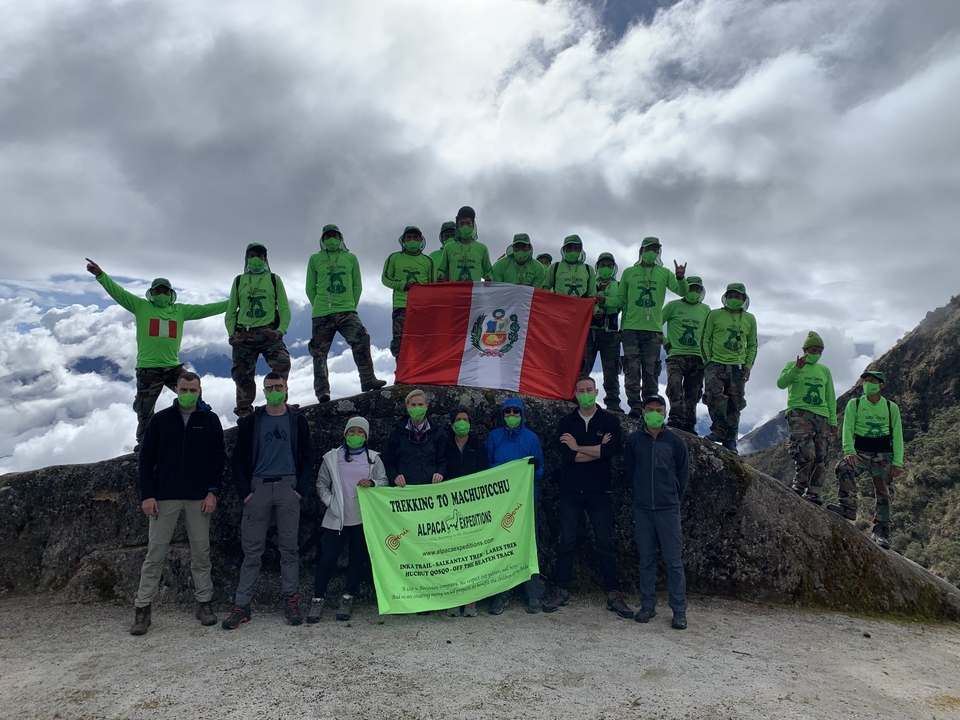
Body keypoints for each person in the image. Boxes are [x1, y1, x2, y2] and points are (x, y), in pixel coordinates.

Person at [85, 258, 227, 449]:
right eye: (158, 290)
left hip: (172, 366)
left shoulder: (180, 311)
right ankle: (144, 443)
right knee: (144, 409)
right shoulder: (141, 306)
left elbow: (208, 309)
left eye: (165, 290)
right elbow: (119, 293)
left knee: (193, 394)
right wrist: (101, 276)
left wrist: (234, 301)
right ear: (151, 293)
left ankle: (199, 429)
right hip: (148, 368)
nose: (161, 293)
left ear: (171, 294)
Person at [130, 372, 225, 635]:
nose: (188, 394)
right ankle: (143, 608)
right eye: (184, 389)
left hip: (199, 497)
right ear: (176, 389)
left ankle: (204, 602)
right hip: (164, 496)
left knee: (201, 553)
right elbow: (146, 459)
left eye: (193, 390)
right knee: (155, 553)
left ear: (200, 390)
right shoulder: (161, 420)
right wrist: (147, 494)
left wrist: (212, 491)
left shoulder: (209, 420)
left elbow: (218, 458)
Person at [222, 372, 316, 629]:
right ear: (263, 391)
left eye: (278, 386)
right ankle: (242, 605)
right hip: (258, 487)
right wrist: (245, 493)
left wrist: (300, 490)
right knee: (251, 551)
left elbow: (308, 456)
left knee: (290, 548)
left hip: (288, 487)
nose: (274, 390)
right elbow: (238, 459)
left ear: (287, 388)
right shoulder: (252, 421)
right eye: (269, 387)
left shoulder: (297, 420)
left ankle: (291, 600)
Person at [543, 377, 633, 618]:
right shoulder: (566, 421)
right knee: (566, 542)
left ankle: (614, 593)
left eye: (588, 390)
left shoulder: (610, 421)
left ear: (596, 391)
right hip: (570, 490)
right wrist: (595, 450)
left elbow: (610, 452)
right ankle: (561, 589)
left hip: (600, 490)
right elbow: (567, 456)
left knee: (605, 543)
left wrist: (578, 447)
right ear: (575, 393)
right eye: (580, 391)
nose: (585, 394)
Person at [307, 417, 388, 624]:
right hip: (336, 519)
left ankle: (348, 597)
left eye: (360, 432)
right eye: (351, 431)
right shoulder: (332, 458)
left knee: (356, 561)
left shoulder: (373, 458)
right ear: (345, 434)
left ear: (366, 436)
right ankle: (317, 599)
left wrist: (371, 482)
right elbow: (321, 484)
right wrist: (331, 503)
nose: (355, 436)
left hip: (362, 519)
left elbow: (384, 482)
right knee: (327, 561)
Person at [601, 237, 688, 418]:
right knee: (631, 369)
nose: (653, 252)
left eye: (656, 249)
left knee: (651, 370)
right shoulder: (629, 272)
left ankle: (650, 406)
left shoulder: (664, 273)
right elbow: (621, 300)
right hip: (631, 328)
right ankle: (634, 405)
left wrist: (680, 278)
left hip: (653, 330)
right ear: (641, 251)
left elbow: (682, 292)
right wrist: (605, 300)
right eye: (649, 248)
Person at [625, 394, 690, 631]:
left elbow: (683, 475)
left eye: (659, 409)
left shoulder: (675, 441)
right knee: (646, 559)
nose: (654, 413)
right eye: (650, 409)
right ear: (643, 412)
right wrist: (640, 495)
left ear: (665, 413)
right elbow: (629, 472)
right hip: (642, 509)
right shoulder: (634, 440)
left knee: (673, 561)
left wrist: (673, 498)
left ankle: (679, 610)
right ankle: (648, 605)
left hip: (668, 509)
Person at [305, 224, 386, 403]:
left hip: (347, 310)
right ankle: (322, 392)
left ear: (341, 238)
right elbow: (310, 287)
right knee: (319, 353)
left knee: (362, 338)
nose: (331, 239)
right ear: (322, 240)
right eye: (327, 236)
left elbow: (357, 285)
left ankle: (367, 380)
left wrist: (349, 304)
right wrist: (320, 305)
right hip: (321, 313)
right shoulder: (315, 259)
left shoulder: (350, 258)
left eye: (334, 235)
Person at [828, 371, 904, 550]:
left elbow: (897, 434)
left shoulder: (890, 406)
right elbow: (847, 428)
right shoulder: (854, 404)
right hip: (861, 452)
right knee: (844, 468)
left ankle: (881, 531)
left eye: (873, 381)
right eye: (866, 381)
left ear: (881, 385)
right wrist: (849, 451)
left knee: (884, 491)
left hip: (883, 453)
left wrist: (897, 462)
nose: (868, 383)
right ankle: (848, 506)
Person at [485, 398, 545, 614]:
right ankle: (503, 592)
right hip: (501, 502)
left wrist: (533, 468)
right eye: (507, 412)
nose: (511, 415)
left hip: (527, 500)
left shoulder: (531, 438)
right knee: (501, 546)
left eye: (515, 411)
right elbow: (487, 467)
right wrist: (508, 469)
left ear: (522, 414)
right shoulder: (494, 437)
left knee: (529, 545)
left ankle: (534, 594)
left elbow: (540, 471)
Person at [226, 243, 292, 418]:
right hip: (243, 333)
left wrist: (281, 331)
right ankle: (244, 409)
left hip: (268, 331)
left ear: (266, 259)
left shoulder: (274, 279)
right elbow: (231, 310)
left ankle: (280, 402)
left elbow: (284, 308)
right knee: (242, 374)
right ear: (247, 258)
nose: (256, 259)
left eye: (261, 256)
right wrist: (232, 333)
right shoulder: (239, 280)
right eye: (253, 255)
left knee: (282, 362)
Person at [776, 331, 837, 505]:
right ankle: (799, 485)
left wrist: (833, 421)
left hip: (822, 416)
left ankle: (814, 492)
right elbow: (781, 384)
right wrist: (797, 368)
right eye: (813, 350)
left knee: (821, 455)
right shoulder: (792, 365)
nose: (815, 354)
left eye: (819, 351)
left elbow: (830, 397)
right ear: (804, 350)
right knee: (805, 451)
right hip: (799, 413)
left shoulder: (825, 370)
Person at [442, 406, 489, 618]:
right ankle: (453, 598)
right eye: (458, 419)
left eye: (466, 419)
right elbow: (440, 467)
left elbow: (484, 472)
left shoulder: (478, 445)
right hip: (448, 506)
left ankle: (471, 600)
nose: (462, 423)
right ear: (452, 424)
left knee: (471, 553)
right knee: (451, 554)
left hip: (472, 505)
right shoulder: (444, 444)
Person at [700, 283, 757, 454]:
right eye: (731, 295)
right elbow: (705, 338)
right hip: (716, 364)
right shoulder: (714, 314)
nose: (734, 299)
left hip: (738, 367)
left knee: (735, 402)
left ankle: (731, 439)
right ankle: (718, 430)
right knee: (714, 396)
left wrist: (748, 366)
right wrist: (708, 361)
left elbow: (753, 344)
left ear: (744, 299)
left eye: (738, 296)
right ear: (725, 297)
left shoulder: (750, 319)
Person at [660, 275, 710, 433]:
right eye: (690, 287)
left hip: (698, 357)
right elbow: (655, 322)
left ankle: (689, 423)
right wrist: (665, 341)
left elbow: (711, 333)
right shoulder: (673, 306)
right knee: (675, 386)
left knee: (693, 391)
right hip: (676, 355)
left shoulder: (706, 310)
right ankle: (675, 418)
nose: (693, 291)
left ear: (701, 290)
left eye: (697, 288)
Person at [381, 226, 436, 359]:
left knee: (422, 341)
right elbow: (385, 278)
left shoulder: (428, 261)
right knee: (400, 341)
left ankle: (420, 374)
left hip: (422, 308)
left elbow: (432, 286)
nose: (412, 240)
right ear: (403, 240)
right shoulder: (394, 258)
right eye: (409, 237)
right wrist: (401, 285)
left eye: (415, 237)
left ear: (421, 240)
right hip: (401, 306)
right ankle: (401, 373)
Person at [582, 252, 623, 412]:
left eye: (609, 265)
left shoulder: (619, 285)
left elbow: (620, 303)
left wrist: (604, 300)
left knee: (611, 370)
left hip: (611, 333)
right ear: (597, 267)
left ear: (614, 268)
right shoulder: (589, 284)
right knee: (583, 366)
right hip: (590, 331)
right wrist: (596, 308)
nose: (606, 268)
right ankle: (579, 396)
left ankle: (613, 402)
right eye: (602, 265)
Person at [382, 389, 447, 487]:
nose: (417, 408)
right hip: (405, 490)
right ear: (407, 406)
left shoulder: (437, 432)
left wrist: (440, 473)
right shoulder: (397, 432)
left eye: (420, 404)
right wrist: (394, 476)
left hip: (430, 488)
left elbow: (443, 460)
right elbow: (389, 461)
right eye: (413, 405)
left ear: (426, 406)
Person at [437, 206, 492, 282]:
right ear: (457, 227)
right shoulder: (448, 247)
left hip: (474, 292)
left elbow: (489, 270)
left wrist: (489, 277)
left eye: (468, 223)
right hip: (455, 291)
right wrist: (440, 275)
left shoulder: (482, 248)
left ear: (473, 226)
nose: (465, 226)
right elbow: (441, 270)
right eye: (462, 223)